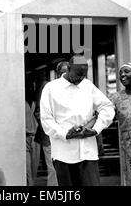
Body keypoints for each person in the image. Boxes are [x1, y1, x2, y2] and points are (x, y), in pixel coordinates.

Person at [40, 54, 115, 186]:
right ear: (68, 68)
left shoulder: (88, 86)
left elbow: (107, 107)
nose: (80, 79)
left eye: (83, 75)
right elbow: (46, 119)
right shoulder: (51, 89)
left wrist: (95, 129)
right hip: (63, 153)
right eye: (77, 75)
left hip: (88, 152)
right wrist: (65, 134)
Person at [33, 61, 69, 186]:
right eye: (62, 72)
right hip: (50, 136)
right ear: (57, 74)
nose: (66, 76)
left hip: (68, 137)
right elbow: (39, 113)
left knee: (67, 170)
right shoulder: (48, 87)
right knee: (54, 170)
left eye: (68, 72)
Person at [25, 97, 39, 186]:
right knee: (27, 168)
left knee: (34, 166)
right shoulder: (22, 102)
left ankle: (32, 184)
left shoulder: (36, 102)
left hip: (35, 136)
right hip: (24, 136)